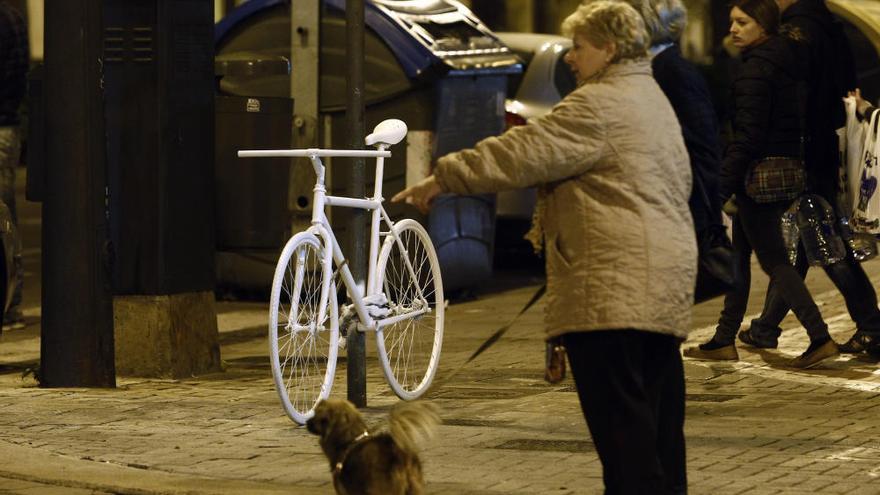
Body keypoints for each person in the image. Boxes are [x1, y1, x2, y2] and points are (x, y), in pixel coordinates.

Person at [393, 2, 696, 492]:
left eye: (579, 48)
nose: (572, 59)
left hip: (614, 295)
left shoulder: (597, 104)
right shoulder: (649, 97)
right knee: (657, 436)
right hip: (658, 288)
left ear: (609, 49)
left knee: (626, 445)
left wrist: (443, 177)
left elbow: (523, 152)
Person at [684, 0, 838, 368]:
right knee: (738, 256)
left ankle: (819, 337)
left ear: (763, 25)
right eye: (732, 22)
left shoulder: (757, 69)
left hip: (756, 175)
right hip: (778, 170)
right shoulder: (783, 61)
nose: (733, 29)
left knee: (774, 262)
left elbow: (749, 136)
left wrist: (722, 184)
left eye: (742, 22)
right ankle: (724, 338)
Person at [739, 0, 880, 355]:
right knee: (807, 238)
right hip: (826, 147)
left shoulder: (796, 34)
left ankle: (871, 326)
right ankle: (766, 327)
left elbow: (798, 98)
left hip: (806, 153)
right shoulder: (830, 26)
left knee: (825, 241)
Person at [0, 0, 27, 331]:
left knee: (3, 221)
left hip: (1, 126)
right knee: (6, 218)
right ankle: (13, 303)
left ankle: (11, 304)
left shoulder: (4, 20)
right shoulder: (13, 17)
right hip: (7, 124)